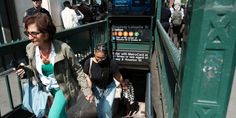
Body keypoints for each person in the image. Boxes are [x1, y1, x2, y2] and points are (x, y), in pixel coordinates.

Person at [16, 13, 93, 118]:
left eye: (34, 33)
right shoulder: (30, 48)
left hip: (64, 88)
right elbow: (34, 68)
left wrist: (87, 90)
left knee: (53, 116)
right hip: (46, 89)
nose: (30, 37)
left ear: (46, 34)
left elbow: (77, 70)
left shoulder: (63, 48)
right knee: (60, 115)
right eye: (27, 33)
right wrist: (25, 70)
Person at [83, 43, 123, 118]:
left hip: (109, 88)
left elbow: (118, 76)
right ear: (94, 52)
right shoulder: (88, 62)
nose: (100, 60)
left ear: (106, 55)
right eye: (98, 57)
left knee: (106, 110)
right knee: (99, 110)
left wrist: (122, 83)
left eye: (103, 58)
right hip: (96, 89)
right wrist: (89, 91)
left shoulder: (111, 62)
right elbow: (86, 76)